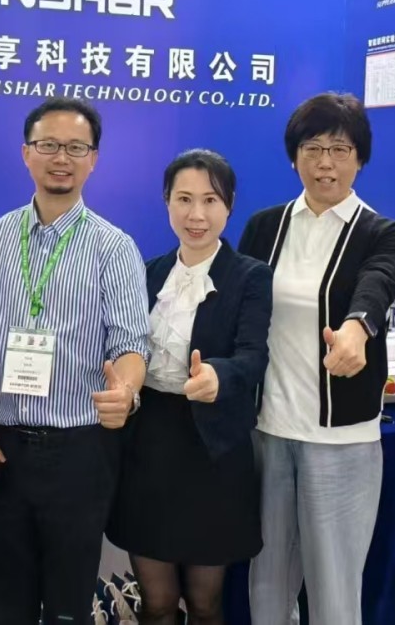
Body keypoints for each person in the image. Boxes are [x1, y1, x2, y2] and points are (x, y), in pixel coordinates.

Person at [0, 98, 150, 625]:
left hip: (80, 451)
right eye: (48, 145)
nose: (61, 158)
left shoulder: (113, 247)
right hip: (3, 448)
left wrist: (126, 392)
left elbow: (132, 342)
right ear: (26, 153)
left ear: (94, 159)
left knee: (69, 605)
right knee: (2, 602)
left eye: (75, 147)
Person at [238, 92, 395, 625]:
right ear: (294, 157)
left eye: (340, 149)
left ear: (360, 159)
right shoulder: (265, 226)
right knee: (267, 582)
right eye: (312, 148)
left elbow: (377, 283)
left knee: (334, 591)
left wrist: (357, 328)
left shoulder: (380, 232)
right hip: (269, 429)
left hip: (339, 440)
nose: (325, 163)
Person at [107, 149, 272, 625]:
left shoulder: (251, 276)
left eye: (210, 200)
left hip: (213, 450)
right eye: (184, 199)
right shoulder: (148, 273)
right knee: (156, 602)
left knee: (204, 604)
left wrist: (219, 375)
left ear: (229, 206)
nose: (196, 214)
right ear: (167, 203)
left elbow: (253, 355)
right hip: (149, 446)